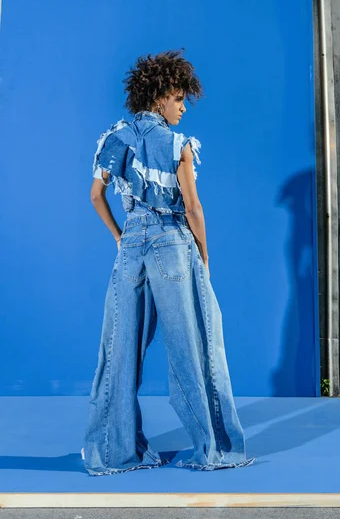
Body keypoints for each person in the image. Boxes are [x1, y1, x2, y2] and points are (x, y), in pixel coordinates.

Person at [81, 49, 256, 475]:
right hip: (173, 243)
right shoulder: (178, 146)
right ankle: (213, 448)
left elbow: (95, 196)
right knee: (193, 347)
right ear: (160, 96)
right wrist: (205, 255)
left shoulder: (115, 138)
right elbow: (193, 207)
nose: (182, 107)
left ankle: (115, 453)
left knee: (118, 350)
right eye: (179, 98)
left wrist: (122, 237)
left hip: (132, 246)